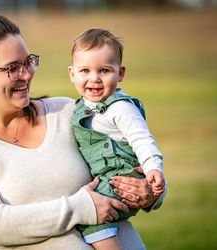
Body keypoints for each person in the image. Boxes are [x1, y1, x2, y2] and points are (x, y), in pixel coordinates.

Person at [0, 11, 166, 250]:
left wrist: (152, 192)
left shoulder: (68, 111)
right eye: (12, 68)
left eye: (28, 61)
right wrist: (81, 208)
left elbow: (129, 157)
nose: (26, 74)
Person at [68, 28, 166, 250]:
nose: (94, 78)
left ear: (120, 73)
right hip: (106, 178)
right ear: (72, 73)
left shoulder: (120, 108)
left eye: (104, 70)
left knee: (91, 216)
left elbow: (142, 139)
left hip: (122, 179)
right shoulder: (80, 107)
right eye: (85, 70)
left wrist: (153, 170)